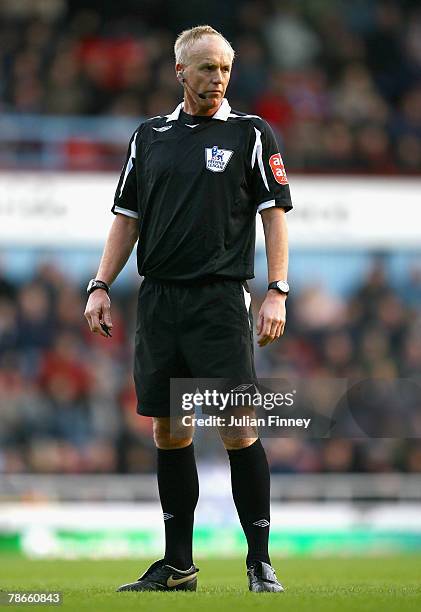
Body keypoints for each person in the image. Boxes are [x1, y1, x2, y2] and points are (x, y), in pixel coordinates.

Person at [84, 25, 292, 593]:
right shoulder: (148, 137)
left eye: (224, 68)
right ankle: (179, 565)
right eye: (206, 69)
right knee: (169, 431)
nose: (218, 78)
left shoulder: (252, 133)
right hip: (160, 299)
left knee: (236, 427)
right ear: (181, 71)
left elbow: (275, 214)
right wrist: (100, 285)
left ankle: (259, 561)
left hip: (220, 299)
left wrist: (277, 289)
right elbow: (126, 218)